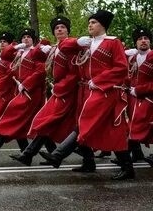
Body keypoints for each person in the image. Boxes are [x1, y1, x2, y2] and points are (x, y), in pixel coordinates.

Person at [40, 10, 133, 180]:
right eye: (89, 22)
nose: (89, 25)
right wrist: (77, 41)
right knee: (112, 131)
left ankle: (58, 155)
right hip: (89, 91)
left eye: (94, 22)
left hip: (106, 91)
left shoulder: (113, 43)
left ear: (103, 25)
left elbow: (121, 68)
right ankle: (126, 167)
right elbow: (64, 45)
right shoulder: (87, 43)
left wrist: (99, 80)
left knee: (85, 122)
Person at [10, 16, 78, 166]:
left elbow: (74, 73)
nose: (59, 30)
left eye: (63, 27)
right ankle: (31, 154)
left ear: (68, 31)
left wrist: (61, 87)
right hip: (59, 91)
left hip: (68, 92)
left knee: (51, 122)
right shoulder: (55, 48)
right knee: (50, 123)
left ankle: (30, 154)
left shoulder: (71, 47)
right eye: (56, 28)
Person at [0, 29, 47, 158]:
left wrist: (26, 84)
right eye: (23, 37)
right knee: (22, 123)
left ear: (33, 39)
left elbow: (40, 71)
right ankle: (29, 154)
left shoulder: (36, 52)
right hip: (20, 91)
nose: (26, 39)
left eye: (29, 37)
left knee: (12, 118)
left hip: (31, 92)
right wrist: (15, 47)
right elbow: (4, 54)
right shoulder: (19, 53)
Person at [123, 26, 152, 163]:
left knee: (138, 128)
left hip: (149, 99)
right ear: (136, 43)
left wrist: (139, 90)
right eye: (140, 39)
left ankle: (124, 159)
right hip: (135, 100)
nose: (143, 41)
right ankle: (134, 155)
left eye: (146, 38)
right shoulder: (133, 58)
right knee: (132, 127)